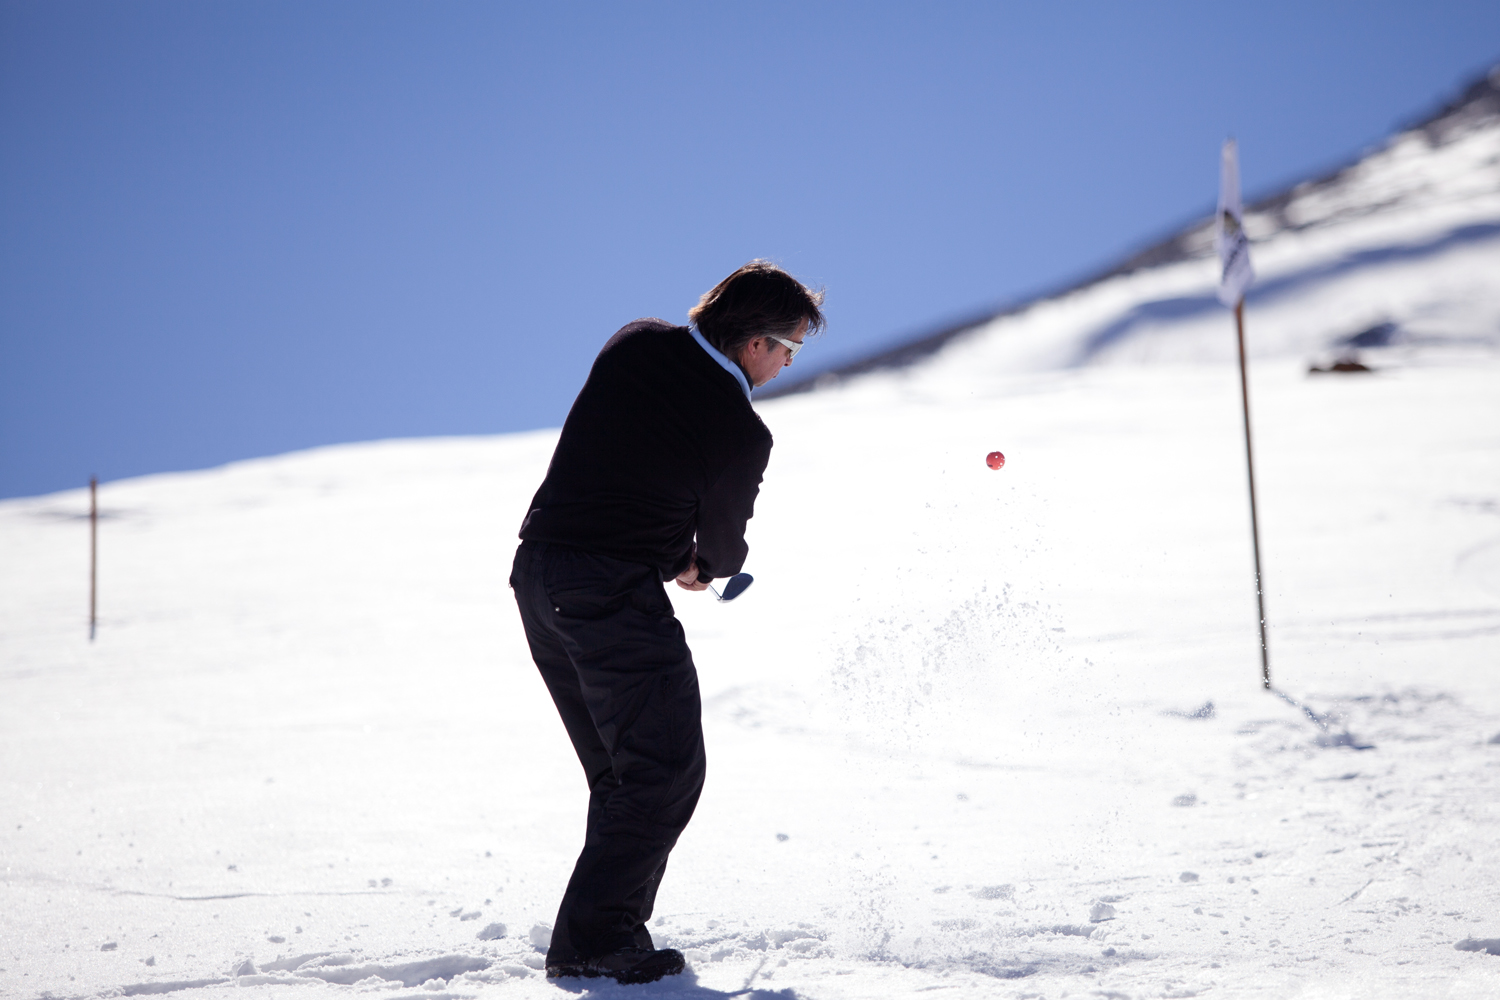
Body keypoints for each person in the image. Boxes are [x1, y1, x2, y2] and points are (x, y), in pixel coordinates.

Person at [509, 260, 825, 985]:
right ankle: (595, 943)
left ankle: (604, 932)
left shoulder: (634, 343)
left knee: (624, 775)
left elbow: (625, 452)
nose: (786, 363)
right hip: (607, 593)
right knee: (663, 771)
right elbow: (721, 544)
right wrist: (698, 564)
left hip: (538, 577)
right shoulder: (742, 429)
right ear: (754, 343)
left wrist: (667, 545)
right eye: (789, 348)